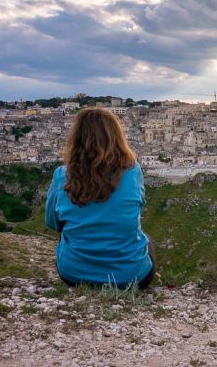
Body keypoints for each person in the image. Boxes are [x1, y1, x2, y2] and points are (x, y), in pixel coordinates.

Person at [45, 107, 155, 288]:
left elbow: (52, 223)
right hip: (131, 277)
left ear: (76, 138)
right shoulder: (133, 171)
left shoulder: (62, 175)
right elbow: (135, 212)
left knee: (66, 235)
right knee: (147, 239)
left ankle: (83, 267)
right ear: (116, 137)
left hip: (74, 275)